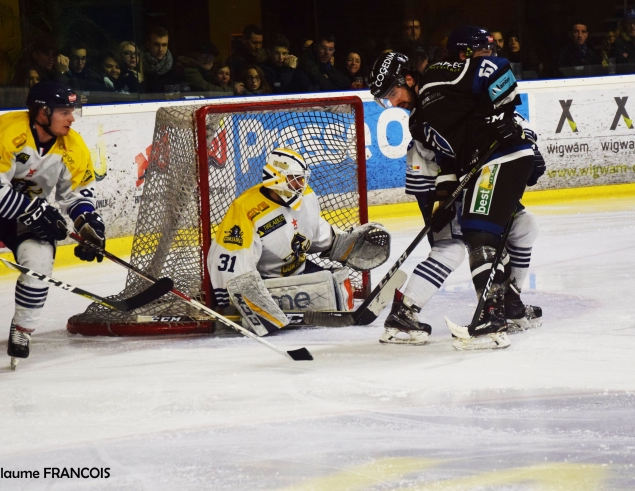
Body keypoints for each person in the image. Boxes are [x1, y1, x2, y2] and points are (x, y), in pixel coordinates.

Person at [369, 27, 539, 350]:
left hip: (472, 175)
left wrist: (503, 116)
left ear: (407, 79)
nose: (394, 103)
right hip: (439, 184)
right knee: (452, 247)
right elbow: (447, 161)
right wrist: (438, 203)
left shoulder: (436, 78)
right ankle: (405, 312)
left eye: (392, 94)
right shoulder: (418, 123)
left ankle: (507, 305)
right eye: (385, 100)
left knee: (523, 226)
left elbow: (494, 76)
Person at [0, 81, 105, 366]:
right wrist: (39, 212)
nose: (72, 118)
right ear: (42, 112)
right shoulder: (5, 130)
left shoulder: (73, 145)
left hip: (24, 216)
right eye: (64, 111)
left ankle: (22, 330)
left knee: (39, 264)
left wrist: (88, 224)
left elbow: (77, 193)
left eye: (73, 111)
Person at [206, 148, 389, 336]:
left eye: (303, 178)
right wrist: (244, 301)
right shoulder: (246, 210)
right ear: (277, 178)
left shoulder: (306, 195)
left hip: (296, 271)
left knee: (340, 286)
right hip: (265, 282)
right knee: (332, 292)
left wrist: (342, 244)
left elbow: (314, 230)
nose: (302, 184)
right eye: (295, 178)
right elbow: (230, 262)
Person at [141, 26, 180, 94]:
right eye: (156, 45)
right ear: (148, 45)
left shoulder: (175, 67)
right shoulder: (138, 64)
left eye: (164, 45)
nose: (160, 50)